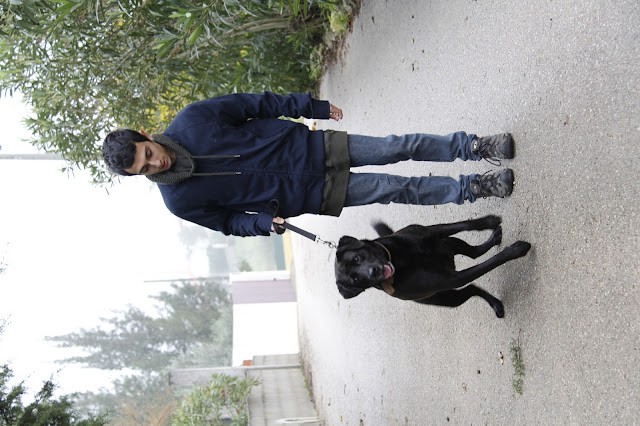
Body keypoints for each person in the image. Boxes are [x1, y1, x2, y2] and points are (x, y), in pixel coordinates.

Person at [102, 91, 516, 237]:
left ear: (146, 136)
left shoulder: (192, 120)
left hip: (310, 147)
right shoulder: (179, 203)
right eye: (144, 169)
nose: (155, 164)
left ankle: (473, 146)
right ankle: (475, 187)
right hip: (309, 194)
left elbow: (255, 104)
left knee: (397, 147)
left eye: (147, 153)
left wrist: (310, 107)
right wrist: (261, 224)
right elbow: (227, 222)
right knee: (396, 189)